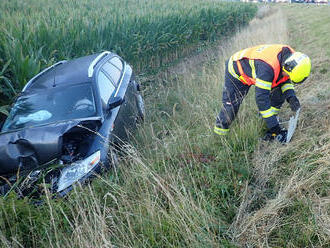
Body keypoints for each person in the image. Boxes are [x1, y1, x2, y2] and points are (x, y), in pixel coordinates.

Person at [214, 44, 311, 143]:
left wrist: (291, 97)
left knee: (279, 94)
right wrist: (275, 128)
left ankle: (265, 122)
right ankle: (220, 136)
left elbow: (284, 80)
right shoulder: (267, 69)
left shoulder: (291, 59)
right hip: (237, 71)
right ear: (286, 68)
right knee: (231, 106)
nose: (288, 77)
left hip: (258, 69)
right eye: (289, 75)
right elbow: (261, 100)